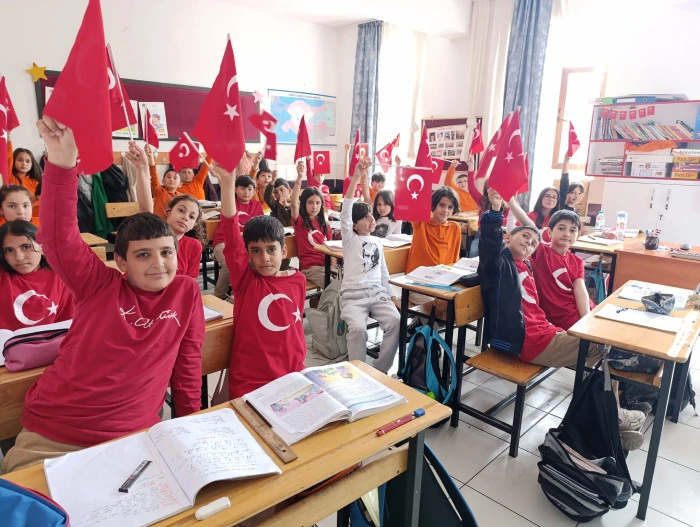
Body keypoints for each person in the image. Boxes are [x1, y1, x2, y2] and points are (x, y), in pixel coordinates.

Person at [1, 117, 204, 474]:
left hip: (137, 436)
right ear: (121, 262)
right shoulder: (98, 284)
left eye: (166, 253)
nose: (158, 264)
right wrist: (62, 163)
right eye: (143, 255)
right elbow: (59, 238)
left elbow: (188, 366)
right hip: (58, 433)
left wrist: (189, 426)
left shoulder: (186, 292)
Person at [478, 188, 645, 447]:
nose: (529, 243)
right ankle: (610, 419)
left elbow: (566, 293)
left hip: (546, 333)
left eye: (533, 243)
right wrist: (497, 208)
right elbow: (490, 243)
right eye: (524, 237)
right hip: (526, 341)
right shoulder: (499, 265)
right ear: (508, 237)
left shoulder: (527, 266)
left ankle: (607, 418)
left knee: (604, 351)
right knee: (604, 347)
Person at [213, 159, 306, 399]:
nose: (264, 258)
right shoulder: (246, 280)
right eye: (255, 251)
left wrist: (299, 370)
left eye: (271, 249)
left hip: (292, 375)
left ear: (284, 251)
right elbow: (231, 231)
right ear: (248, 254)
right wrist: (227, 184)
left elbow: (294, 331)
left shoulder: (298, 280)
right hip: (251, 381)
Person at [340, 158, 399, 373]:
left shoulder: (377, 241)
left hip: (377, 293)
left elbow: (383, 272)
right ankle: (358, 372)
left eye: (371, 216)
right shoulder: (350, 239)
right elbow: (346, 210)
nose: (371, 220)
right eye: (365, 218)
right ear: (354, 224)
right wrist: (357, 177)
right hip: (353, 296)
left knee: (396, 321)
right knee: (358, 330)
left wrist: (392, 296)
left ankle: (380, 370)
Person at [509, 203, 593, 330]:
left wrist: (586, 320)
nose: (566, 234)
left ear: (578, 235)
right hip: (561, 318)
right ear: (549, 232)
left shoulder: (577, 261)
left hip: (581, 312)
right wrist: (511, 201)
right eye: (561, 228)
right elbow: (529, 224)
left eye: (572, 230)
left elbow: (581, 292)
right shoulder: (541, 251)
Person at [132, 143, 204, 280]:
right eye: (181, 210)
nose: (185, 217)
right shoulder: (152, 236)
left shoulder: (194, 246)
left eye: (192, 217)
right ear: (168, 212)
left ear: (194, 224)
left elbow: (189, 281)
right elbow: (145, 207)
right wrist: (143, 166)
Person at [0, 219, 73, 331]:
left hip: (51, 339)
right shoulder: (3, 275)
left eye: (26, 247)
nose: (19, 257)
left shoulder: (61, 277)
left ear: (42, 247)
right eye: (9, 250)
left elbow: (68, 324)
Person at [212, 173, 264, 298]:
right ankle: (218, 296)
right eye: (242, 188)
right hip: (223, 242)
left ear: (254, 191)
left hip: (246, 244)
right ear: (235, 189)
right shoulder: (230, 203)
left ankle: (250, 292)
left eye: (249, 189)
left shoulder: (256, 205)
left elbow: (260, 226)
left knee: (263, 260)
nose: (246, 192)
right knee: (229, 263)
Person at [291, 159, 333, 288]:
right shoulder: (300, 221)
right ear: (304, 204)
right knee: (334, 287)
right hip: (310, 268)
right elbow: (293, 204)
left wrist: (332, 268)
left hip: (326, 266)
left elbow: (331, 249)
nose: (314, 207)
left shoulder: (325, 224)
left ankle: (322, 299)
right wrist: (299, 178)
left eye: (318, 203)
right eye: (310, 203)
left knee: (342, 283)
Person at [404, 186, 461, 275]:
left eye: (450, 207)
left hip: (442, 276)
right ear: (433, 205)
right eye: (442, 205)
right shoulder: (421, 223)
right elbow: (411, 199)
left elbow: (455, 257)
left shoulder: (455, 228)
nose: (445, 210)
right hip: (418, 275)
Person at [145, 144, 181, 220]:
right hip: (159, 224)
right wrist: (151, 157)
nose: (171, 179)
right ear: (163, 181)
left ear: (180, 184)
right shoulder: (159, 192)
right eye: (168, 177)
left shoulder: (181, 197)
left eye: (175, 178)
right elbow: (154, 176)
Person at [11, 148, 43, 218]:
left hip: (33, 215)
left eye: (27, 161)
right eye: (20, 160)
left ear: (32, 164)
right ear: (13, 161)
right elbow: (7, 158)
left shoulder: (35, 182)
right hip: (14, 215)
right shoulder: (11, 178)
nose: (24, 164)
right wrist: (8, 140)